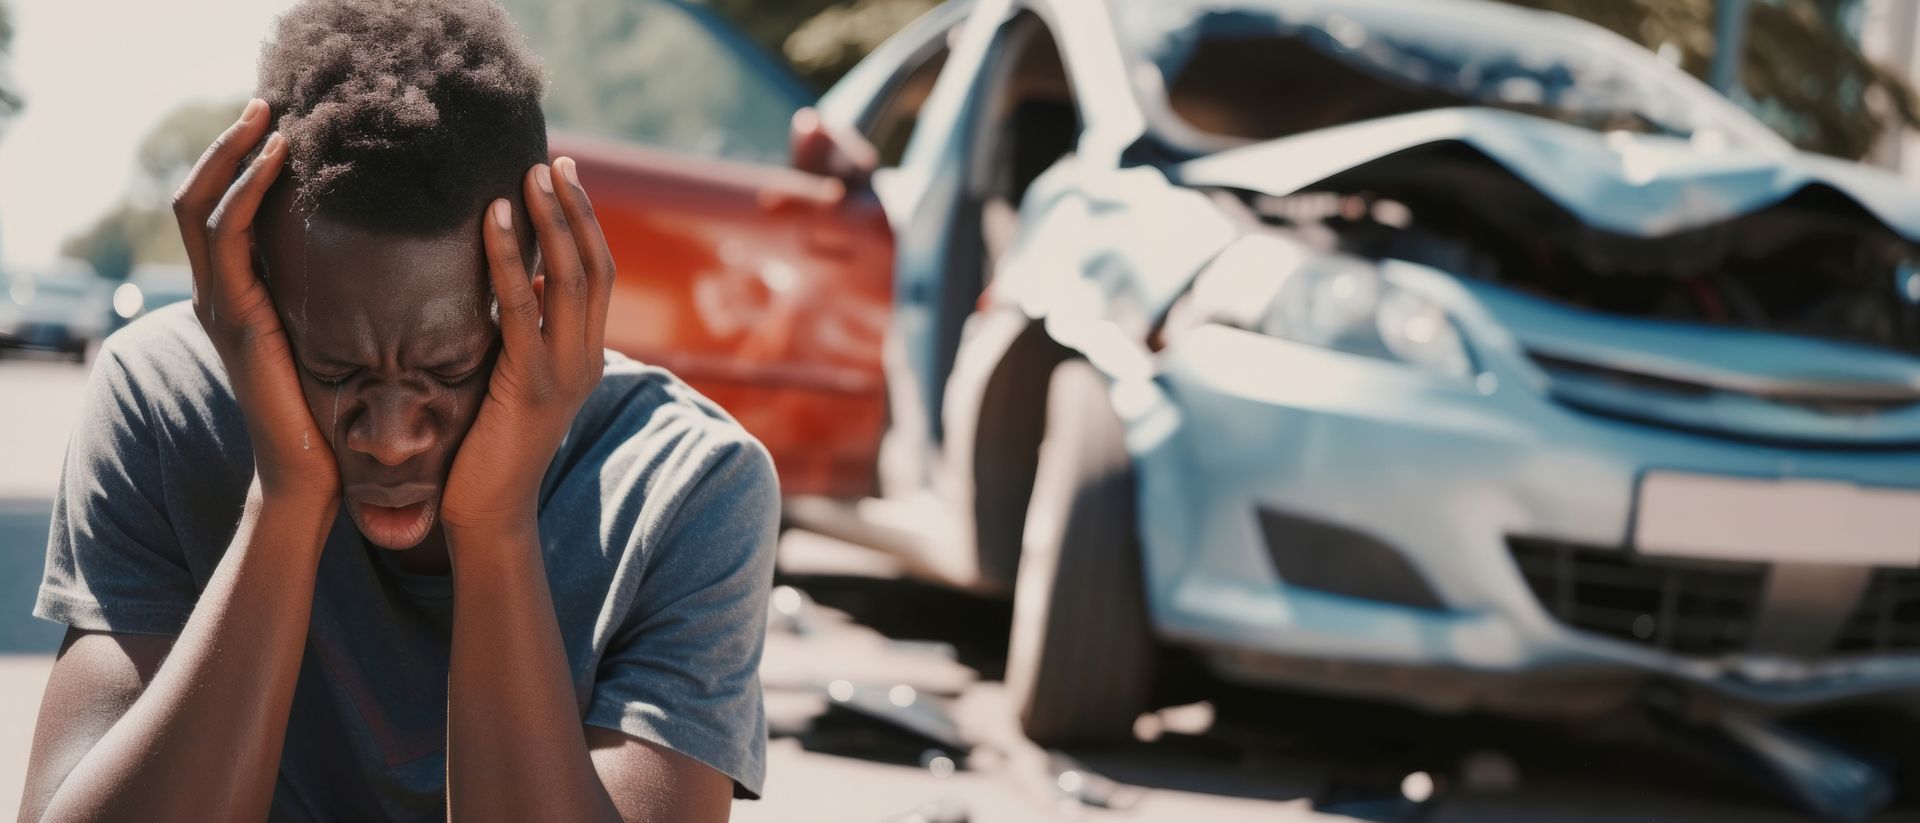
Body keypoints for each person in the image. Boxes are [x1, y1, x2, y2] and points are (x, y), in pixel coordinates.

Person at [17, 1, 778, 821]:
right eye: (333, 366)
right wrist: (284, 500)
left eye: (446, 369)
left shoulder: (688, 488)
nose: (388, 437)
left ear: (547, 295)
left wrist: (495, 523)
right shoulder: (165, 400)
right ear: (254, 294)